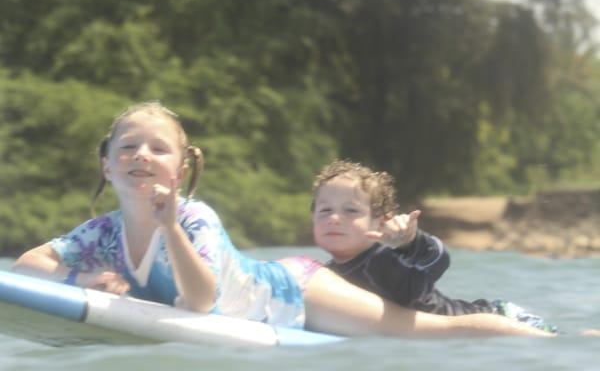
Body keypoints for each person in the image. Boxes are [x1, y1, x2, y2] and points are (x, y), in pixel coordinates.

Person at [12, 102, 553, 338]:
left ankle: (541, 337)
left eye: (158, 147)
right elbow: (28, 264)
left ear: (181, 168)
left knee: (431, 333)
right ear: (107, 163)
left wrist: (170, 227)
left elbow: (200, 302)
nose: (142, 155)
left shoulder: (195, 218)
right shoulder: (101, 233)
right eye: (128, 146)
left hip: (297, 294)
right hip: (279, 289)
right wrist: (83, 279)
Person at [311, 160, 557, 332]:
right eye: (325, 210)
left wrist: (408, 242)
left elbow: (437, 262)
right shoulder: (324, 277)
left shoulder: (385, 257)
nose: (334, 218)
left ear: (382, 221)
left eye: (350, 210)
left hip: (498, 320)